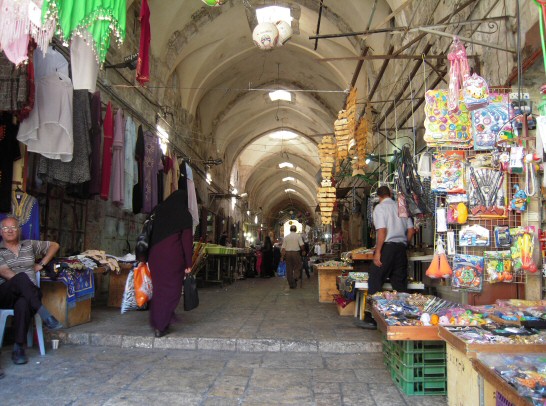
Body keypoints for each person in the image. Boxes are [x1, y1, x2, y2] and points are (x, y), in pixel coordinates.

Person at [0, 215, 63, 366]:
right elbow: (4, 272)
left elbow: (54, 245)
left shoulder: (28, 244)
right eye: (5, 228)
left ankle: (18, 349)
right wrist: (24, 284)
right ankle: (44, 313)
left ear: (19, 230)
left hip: (28, 295)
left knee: (23, 303)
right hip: (6, 293)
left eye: (13, 227)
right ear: (1, 232)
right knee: (22, 278)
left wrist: (42, 264)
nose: (9, 231)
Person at [359, 186, 415, 330]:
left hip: (387, 248)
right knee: (400, 284)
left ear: (379, 197)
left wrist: (378, 252)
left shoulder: (379, 208)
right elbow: (411, 230)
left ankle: (372, 318)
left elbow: (382, 231)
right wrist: (405, 244)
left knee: (375, 280)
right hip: (401, 249)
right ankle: (402, 318)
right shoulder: (401, 207)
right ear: (390, 194)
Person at [147, 189, 193, 338]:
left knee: (159, 290)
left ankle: (160, 322)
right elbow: (186, 242)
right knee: (172, 291)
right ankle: (161, 324)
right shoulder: (184, 215)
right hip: (173, 257)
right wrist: (189, 263)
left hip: (155, 255)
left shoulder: (158, 209)